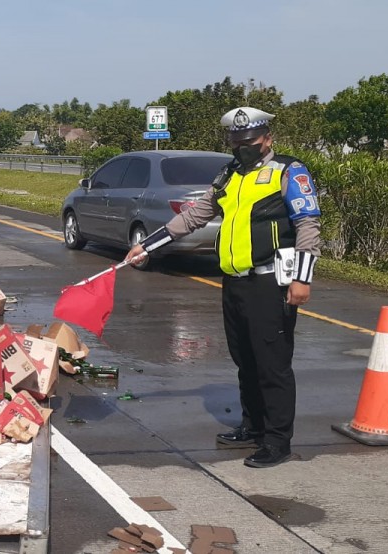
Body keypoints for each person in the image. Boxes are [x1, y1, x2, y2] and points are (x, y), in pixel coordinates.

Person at [124, 107, 322, 468]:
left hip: (271, 281)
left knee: (272, 364)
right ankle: (253, 426)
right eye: (235, 141)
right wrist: (147, 246)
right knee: (245, 359)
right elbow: (195, 216)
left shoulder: (288, 172)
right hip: (234, 281)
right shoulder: (229, 174)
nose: (242, 147)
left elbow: (307, 223)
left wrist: (302, 278)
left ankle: (277, 441)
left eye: (249, 141)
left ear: (267, 139)